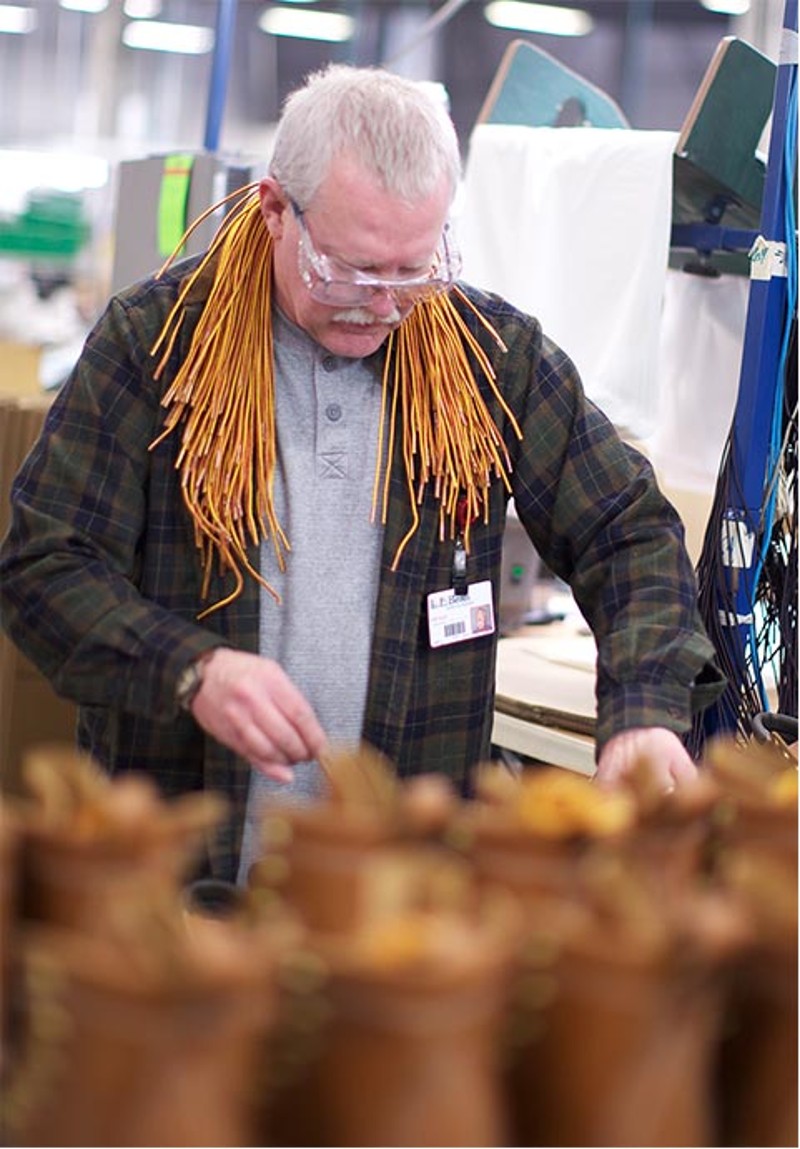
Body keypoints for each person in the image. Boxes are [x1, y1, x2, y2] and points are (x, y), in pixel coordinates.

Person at [0, 64, 724, 885]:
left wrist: (642, 710)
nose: (382, 304)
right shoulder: (156, 346)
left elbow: (627, 531)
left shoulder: (489, 360)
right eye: (350, 270)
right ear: (276, 210)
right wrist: (187, 668)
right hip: (179, 889)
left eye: (412, 271)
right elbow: (43, 567)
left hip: (402, 896)